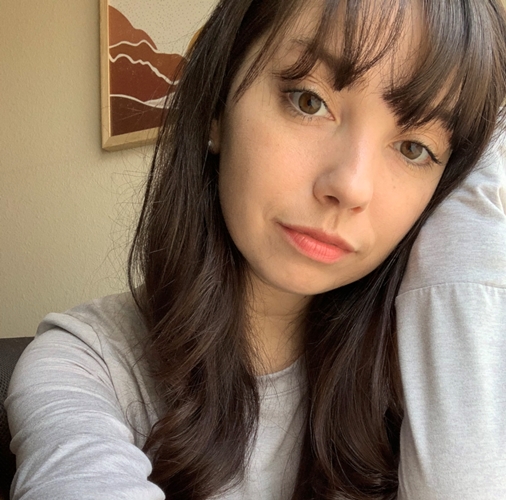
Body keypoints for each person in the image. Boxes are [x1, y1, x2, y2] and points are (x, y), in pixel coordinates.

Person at [5, 0, 506, 499]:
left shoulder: (429, 372)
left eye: (415, 148)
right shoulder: (87, 364)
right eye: (308, 101)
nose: (351, 186)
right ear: (217, 106)